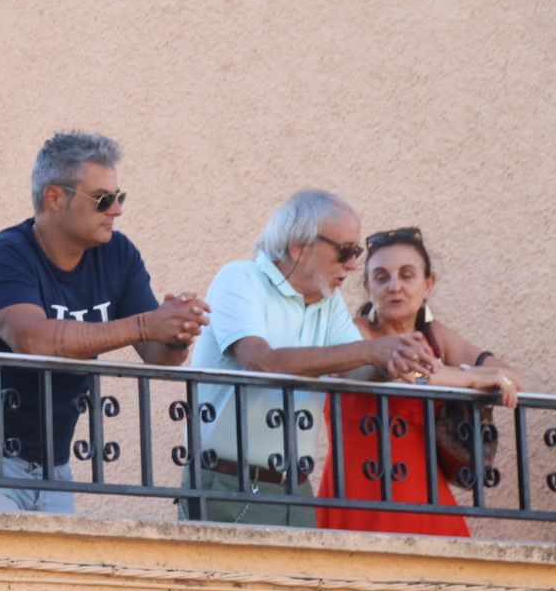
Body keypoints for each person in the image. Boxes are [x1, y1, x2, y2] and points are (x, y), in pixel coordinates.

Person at [0, 131, 208, 513]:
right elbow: (33, 339)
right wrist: (147, 324)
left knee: (53, 571)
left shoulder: (118, 254)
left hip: (54, 460)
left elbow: (158, 357)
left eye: (119, 197)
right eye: (103, 199)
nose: (117, 210)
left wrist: (177, 333)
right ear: (55, 197)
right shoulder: (7, 253)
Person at [187, 190, 436, 527]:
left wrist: (394, 362)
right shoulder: (240, 279)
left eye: (356, 252)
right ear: (298, 246)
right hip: (229, 483)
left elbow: (354, 373)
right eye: (345, 252)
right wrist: (372, 349)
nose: (352, 264)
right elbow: (261, 362)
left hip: (297, 487)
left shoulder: (326, 299)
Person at [316, 226, 521, 536]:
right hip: (359, 500)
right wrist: (473, 379)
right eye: (382, 277)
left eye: (407, 275)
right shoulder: (353, 333)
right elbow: (407, 373)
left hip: (428, 502)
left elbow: (513, 377)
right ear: (368, 287)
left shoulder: (436, 335)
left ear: (429, 284)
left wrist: (482, 376)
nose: (394, 286)